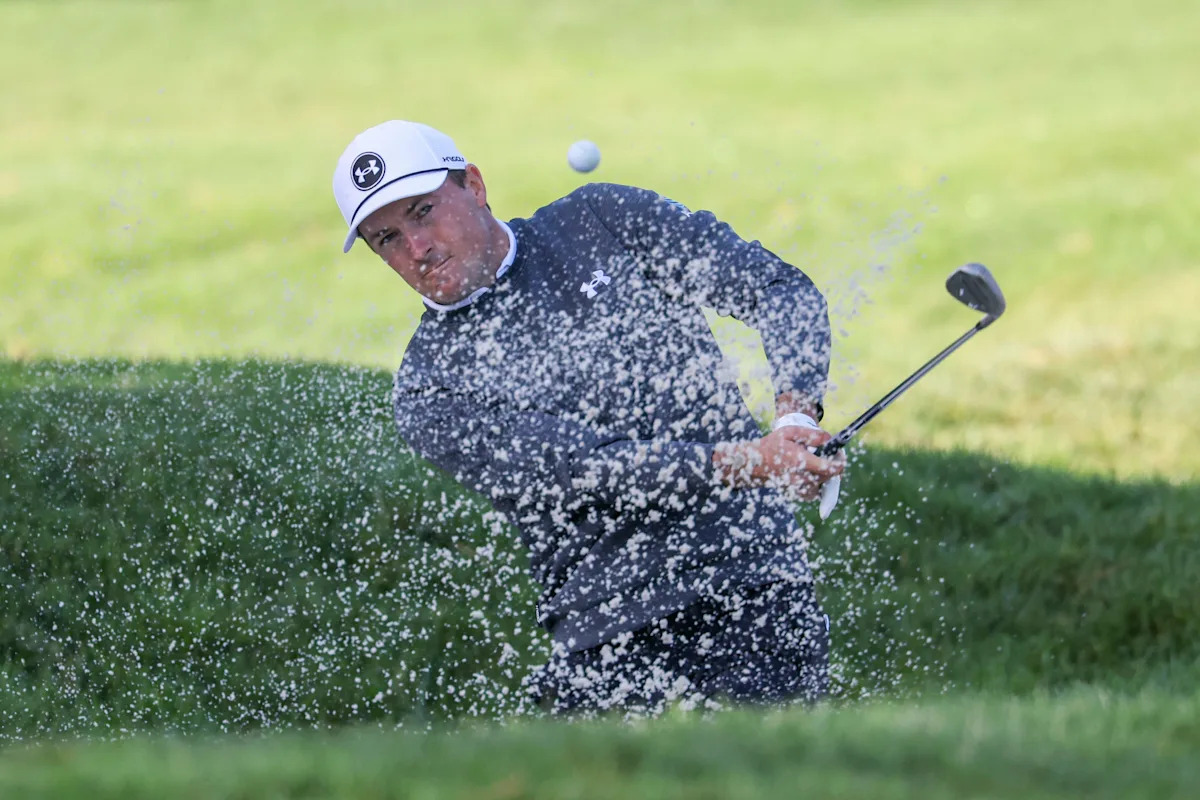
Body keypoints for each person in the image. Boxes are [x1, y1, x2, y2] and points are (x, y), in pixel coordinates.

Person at [331, 120, 846, 716]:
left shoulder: (600, 220)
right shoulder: (429, 390)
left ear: (473, 185)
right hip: (609, 631)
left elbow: (777, 289)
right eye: (387, 238)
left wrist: (793, 419)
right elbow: (589, 470)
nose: (417, 248)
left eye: (423, 212)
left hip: (749, 580)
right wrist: (755, 462)